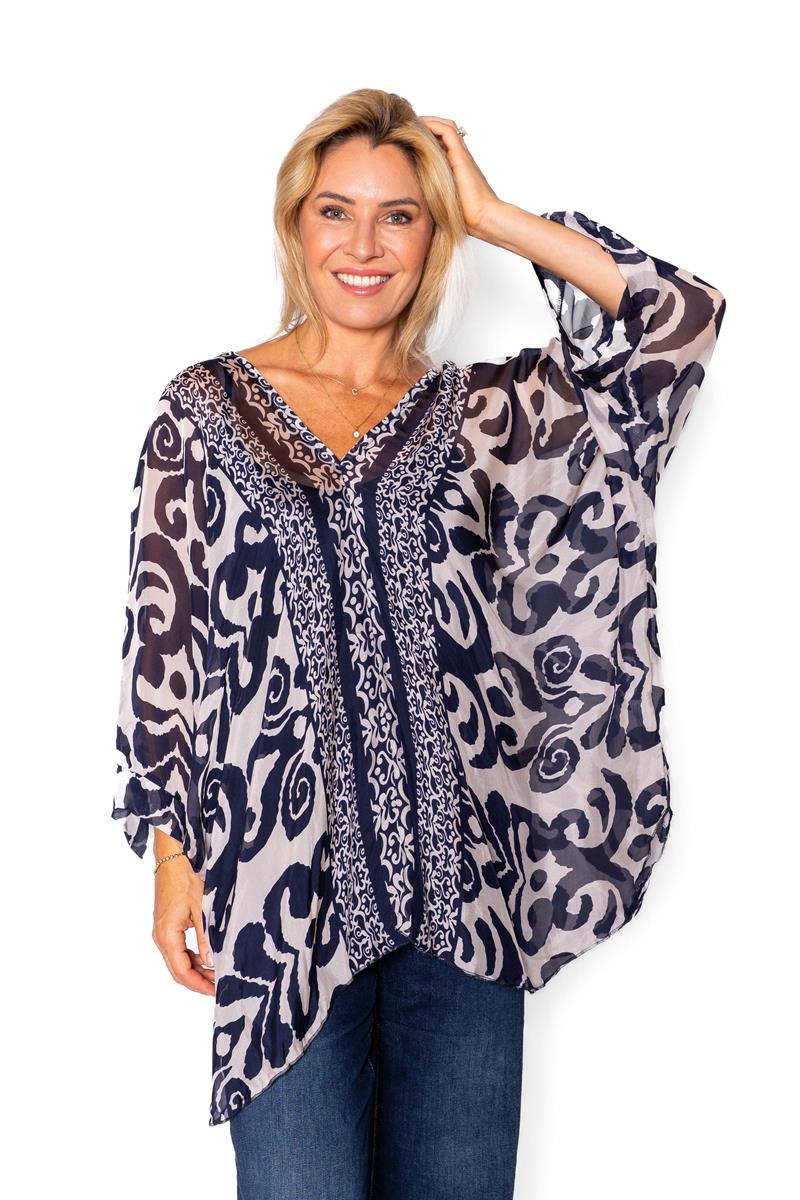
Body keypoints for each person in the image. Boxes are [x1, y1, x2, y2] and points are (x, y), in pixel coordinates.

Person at [111, 88, 726, 1199]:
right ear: (294, 224)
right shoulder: (201, 411)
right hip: (281, 897)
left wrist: (492, 214)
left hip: (465, 907)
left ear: (433, 236)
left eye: (399, 215)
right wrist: (170, 859)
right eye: (335, 211)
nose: (363, 245)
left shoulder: (491, 416)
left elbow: (675, 323)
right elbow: (166, 638)